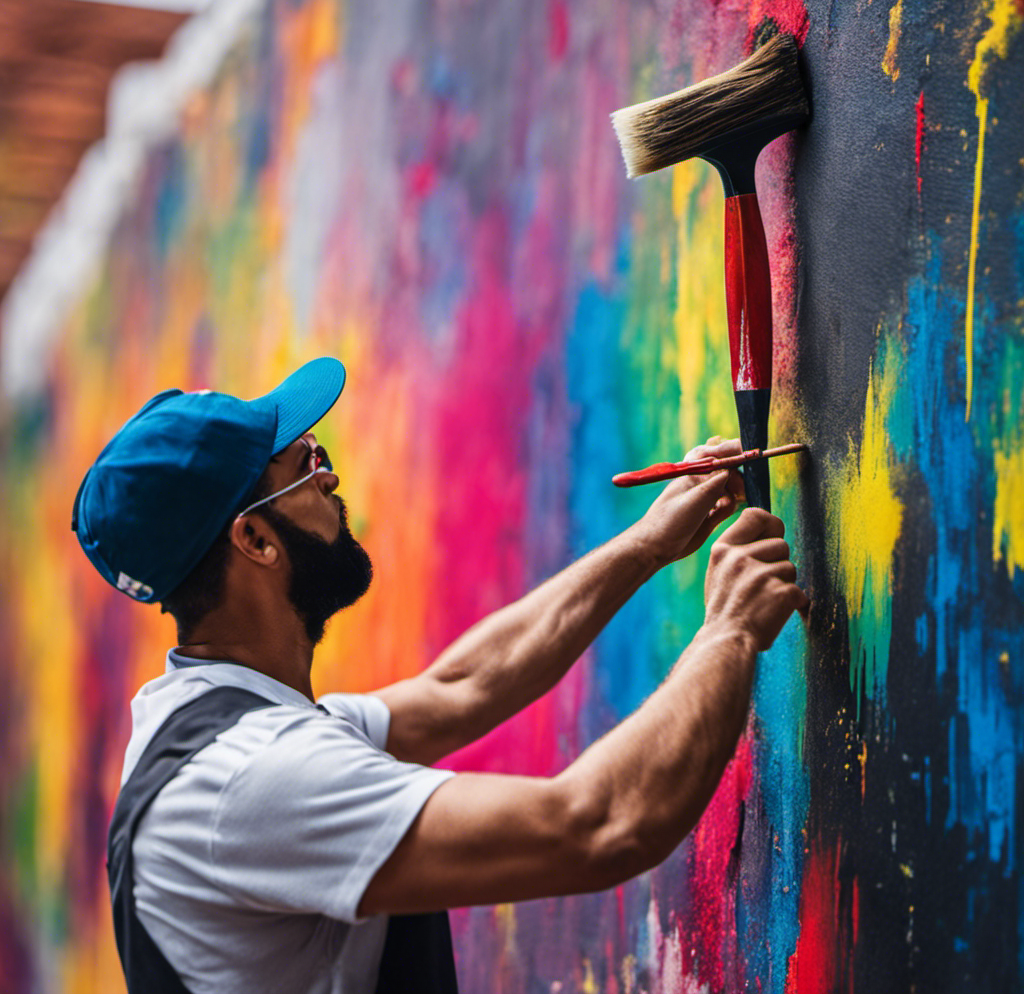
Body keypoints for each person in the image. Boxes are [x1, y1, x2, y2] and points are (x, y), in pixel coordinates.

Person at [73, 357, 807, 994]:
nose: (329, 475)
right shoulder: (250, 779)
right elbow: (596, 825)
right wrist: (730, 631)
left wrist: (646, 546)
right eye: (304, 465)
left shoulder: (223, 726)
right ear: (256, 539)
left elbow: (461, 687)